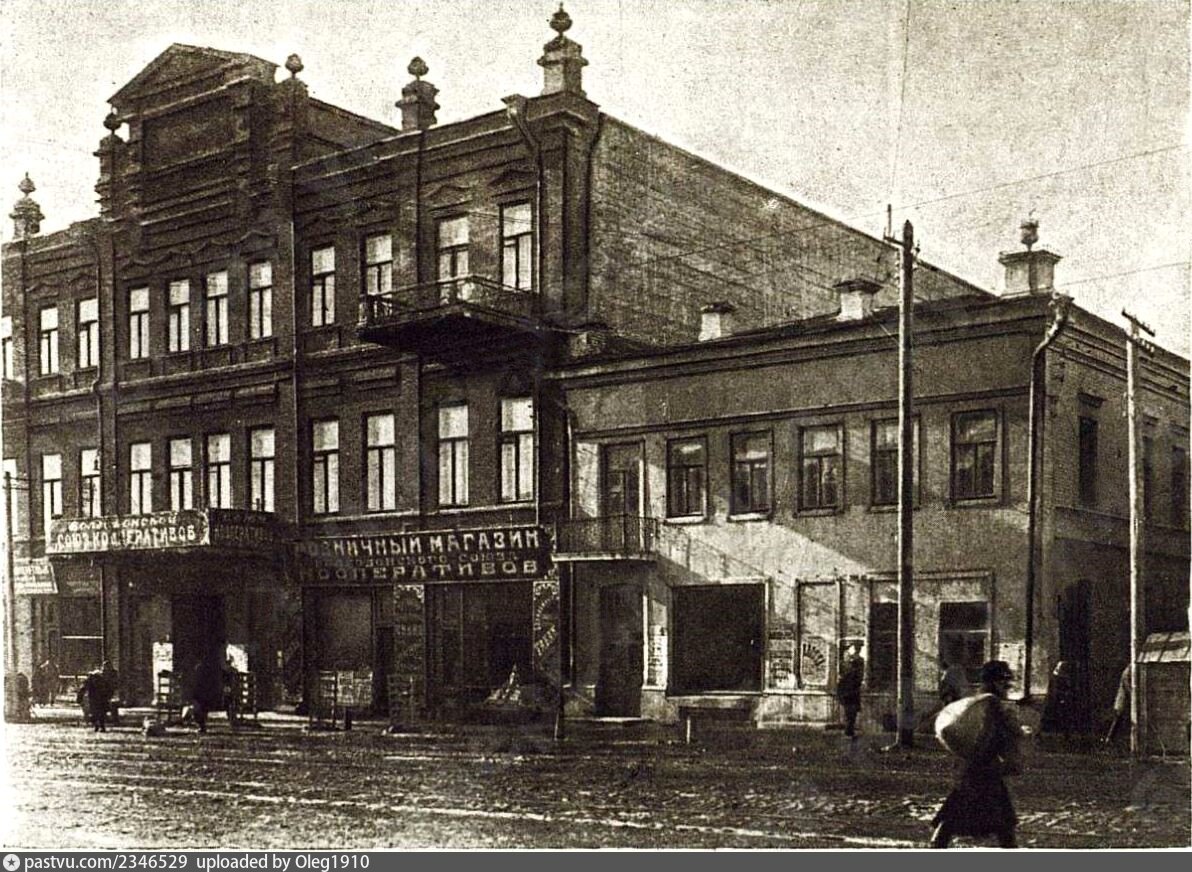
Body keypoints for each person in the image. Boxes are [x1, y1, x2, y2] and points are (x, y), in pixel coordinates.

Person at [930, 659, 1023, 849]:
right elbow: (987, 734)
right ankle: (937, 846)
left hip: (975, 767)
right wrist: (1015, 732)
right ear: (995, 682)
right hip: (982, 768)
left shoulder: (981, 701)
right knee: (998, 818)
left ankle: (937, 845)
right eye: (1004, 681)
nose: (1007, 686)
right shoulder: (992, 703)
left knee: (962, 811)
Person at [836, 643, 865, 740]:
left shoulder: (849, 673)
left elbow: (841, 684)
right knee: (850, 715)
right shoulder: (852, 674)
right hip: (850, 696)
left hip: (849, 696)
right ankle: (849, 732)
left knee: (850, 715)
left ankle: (849, 731)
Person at [77, 661, 116, 732]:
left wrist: (80, 697)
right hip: (98, 697)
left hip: (97, 697)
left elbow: (84, 687)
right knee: (99, 712)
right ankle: (99, 725)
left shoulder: (106, 677)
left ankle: (98, 725)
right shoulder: (100, 677)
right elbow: (85, 686)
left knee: (97, 712)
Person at [190, 653, 223, 733]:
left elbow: (195, 681)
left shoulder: (199, 668)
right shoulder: (207, 669)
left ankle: (202, 726)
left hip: (200, 692)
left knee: (200, 710)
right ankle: (202, 726)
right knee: (203, 710)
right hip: (204, 692)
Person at [1104, 664, 1132, 745]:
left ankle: (1112, 738)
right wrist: (1133, 694)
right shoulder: (1126, 673)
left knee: (1120, 720)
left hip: (1125, 700)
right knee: (1118, 719)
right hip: (1122, 700)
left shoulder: (1128, 672)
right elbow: (1127, 686)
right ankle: (1109, 738)